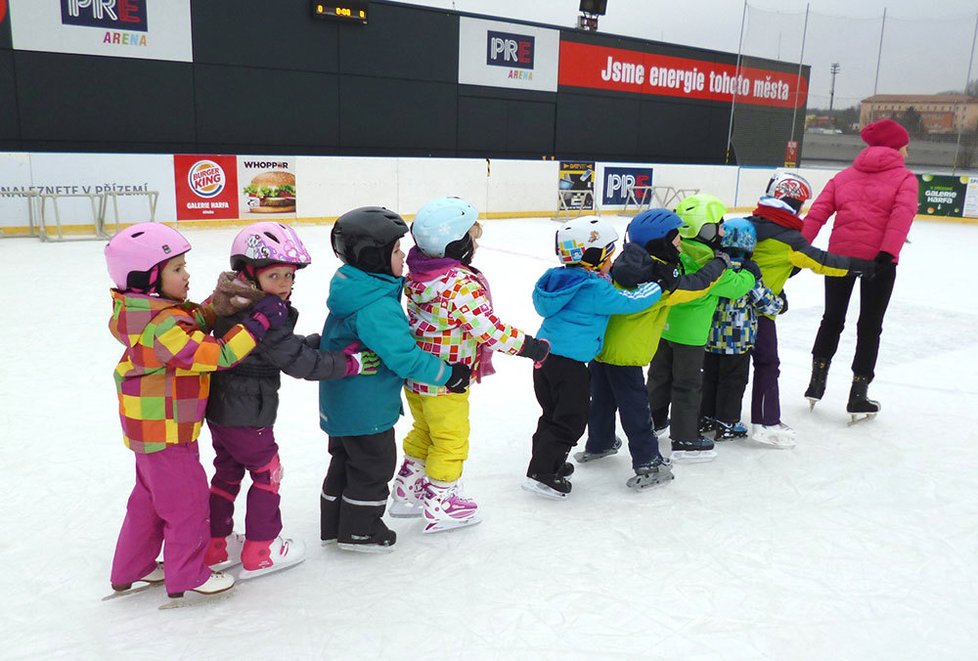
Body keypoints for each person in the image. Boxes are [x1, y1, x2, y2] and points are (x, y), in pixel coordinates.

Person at [104, 222, 288, 606]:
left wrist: (220, 302)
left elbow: (193, 322)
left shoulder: (146, 313)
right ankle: (187, 573)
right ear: (148, 279)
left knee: (148, 501)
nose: (186, 275)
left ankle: (131, 566)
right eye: (176, 269)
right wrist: (258, 323)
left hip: (151, 429)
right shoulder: (163, 325)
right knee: (187, 504)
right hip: (167, 430)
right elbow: (216, 354)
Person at [204, 222, 381, 578]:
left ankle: (215, 545)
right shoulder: (263, 313)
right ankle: (261, 549)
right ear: (249, 274)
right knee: (267, 474)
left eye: (289, 276)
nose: (284, 284)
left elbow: (275, 351)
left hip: (221, 411)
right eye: (275, 276)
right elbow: (299, 363)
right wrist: (350, 363)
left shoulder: (231, 301)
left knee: (226, 474)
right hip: (249, 414)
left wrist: (315, 341)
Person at [391, 197, 550, 532]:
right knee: (451, 438)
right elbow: (487, 329)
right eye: (473, 239)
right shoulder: (458, 283)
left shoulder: (419, 273)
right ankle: (441, 500)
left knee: (425, 431)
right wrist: (530, 347)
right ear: (457, 243)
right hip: (447, 378)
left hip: (419, 376)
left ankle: (408, 490)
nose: (475, 245)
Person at [318, 207, 471, 552]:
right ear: (374, 257)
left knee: (344, 461)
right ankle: (360, 530)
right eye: (397, 251)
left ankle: (334, 523)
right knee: (373, 467)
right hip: (365, 408)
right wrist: (448, 374)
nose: (404, 256)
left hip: (341, 403)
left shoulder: (355, 286)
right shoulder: (376, 307)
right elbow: (405, 357)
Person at [578, 208, 730, 490]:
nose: (680, 244)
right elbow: (697, 286)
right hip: (626, 354)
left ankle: (599, 442)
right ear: (660, 241)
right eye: (676, 240)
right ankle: (649, 460)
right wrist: (719, 264)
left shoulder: (626, 262)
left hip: (601, 348)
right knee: (635, 408)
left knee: (602, 399)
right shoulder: (658, 279)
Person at [526, 215, 663, 499]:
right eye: (609, 256)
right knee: (571, 419)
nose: (612, 262)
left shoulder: (556, 279)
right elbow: (630, 303)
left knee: (551, 414)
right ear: (594, 255)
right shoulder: (594, 288)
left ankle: (547, 462)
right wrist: (658, 286)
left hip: (546, 360)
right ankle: (542, 473)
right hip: (571, 365)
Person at [745, 172, 876, 445]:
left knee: (722, 366)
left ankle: (716, 417)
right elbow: (822, 261)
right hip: (760, 313)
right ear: (796, 205)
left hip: (726, 311)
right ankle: (767, 421)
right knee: (767, 364)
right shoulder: (790, 239)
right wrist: (861, 266)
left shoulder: (748, 226)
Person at [802, 119, 917, 421]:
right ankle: (858, 394)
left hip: (838, 259)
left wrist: (798, 249)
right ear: (895, 146)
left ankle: (817, 382)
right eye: (905, 145)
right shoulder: (905, 179)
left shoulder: (843, 176)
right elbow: (901, 216)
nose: (907, 152)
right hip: (878, 263)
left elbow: (817, 214)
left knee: (831, 319)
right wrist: (887, 253)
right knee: (869, 326)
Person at [647, 194, 756, 462]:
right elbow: (737, 286)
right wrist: (751, 272)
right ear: (705, 229)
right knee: (687, 385)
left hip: (664, 329)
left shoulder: (676, 251)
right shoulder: (712, 261)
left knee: (659, 378)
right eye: (718, 225)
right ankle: (684, 439)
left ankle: (654, 420)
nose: (722, 230)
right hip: (691, 337)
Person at [699, 218, 784, 442]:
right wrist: (781, 302)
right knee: (733, 382)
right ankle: (727, 423)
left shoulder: (714, 269)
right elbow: (767, 304)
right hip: (737, 342)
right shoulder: (749, 275)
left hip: (709, 338)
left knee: (710, 379)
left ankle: (706, 416)